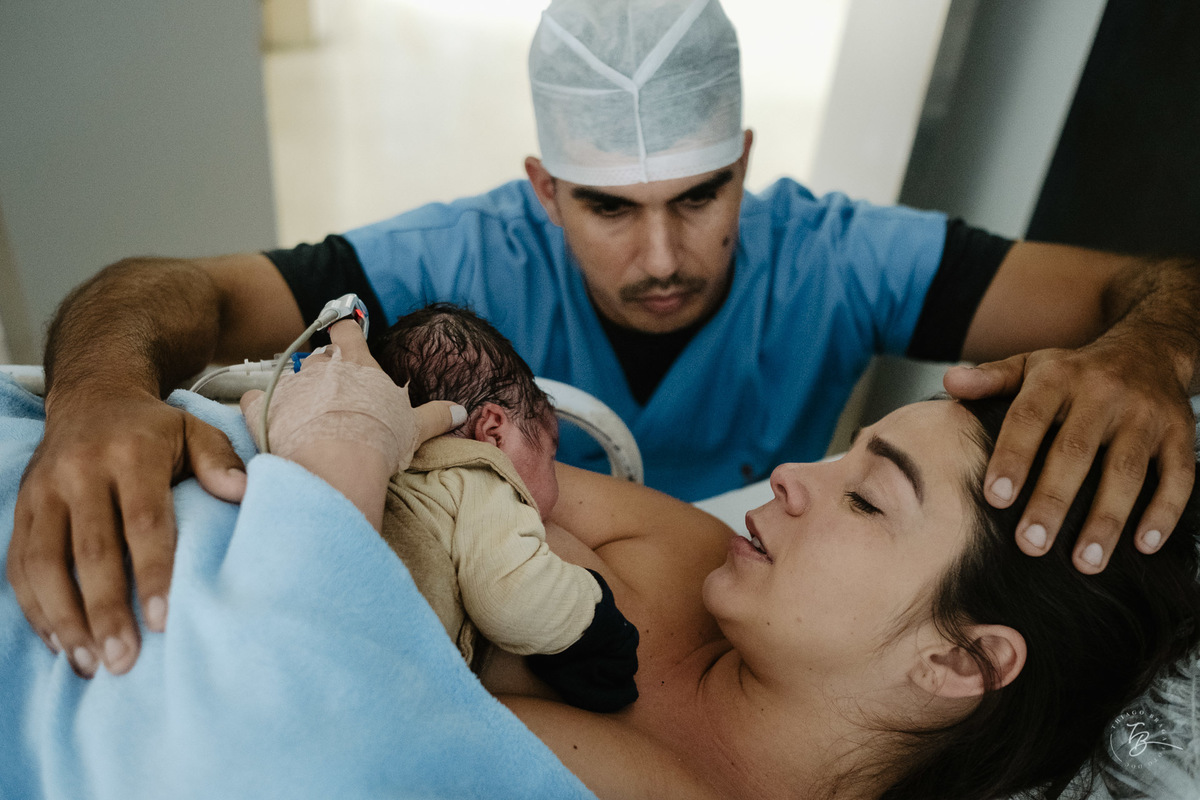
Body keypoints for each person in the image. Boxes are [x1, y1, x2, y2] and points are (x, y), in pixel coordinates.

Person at [9, 0, 1200, 677]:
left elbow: (1157, 284)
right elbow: (170, 292)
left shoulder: (839, 259)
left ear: (744, 163)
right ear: (541, 188)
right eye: (609, 210)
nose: (664, 258)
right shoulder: (461, 256)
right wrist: (101, 389)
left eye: (699, 198)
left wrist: (1156, 348)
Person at [280, 346, 1200, 799]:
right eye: (850, 451)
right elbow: (421, 460)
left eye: (869, 499)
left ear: (958, 661)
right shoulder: (689, 559)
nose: (795, 475)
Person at [365, 304, 640, 711]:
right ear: (493, 433)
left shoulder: (386, 467)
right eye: (550, 453)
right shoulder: (478, 473)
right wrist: (596, 619)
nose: (557, 479)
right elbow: (511, 599)